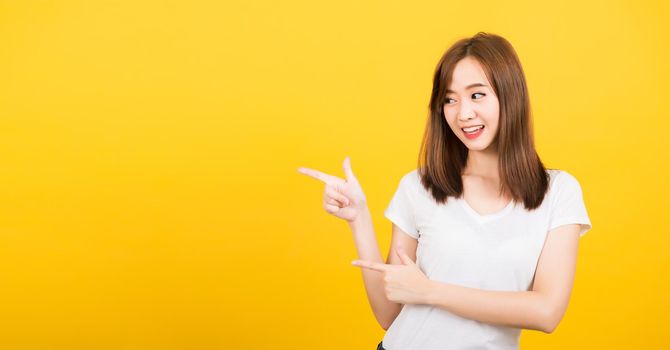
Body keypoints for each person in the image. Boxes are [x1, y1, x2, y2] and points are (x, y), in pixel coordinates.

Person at [297, 32, 592, 350]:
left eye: (477, 95)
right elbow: (389, 314)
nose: (462, 113)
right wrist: (359, 219)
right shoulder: (420, 186)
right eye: (450, 99)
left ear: (511, 95)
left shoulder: (558, 192)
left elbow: (546, 312)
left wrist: (430, 292)